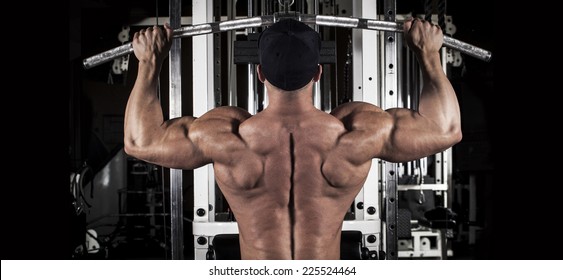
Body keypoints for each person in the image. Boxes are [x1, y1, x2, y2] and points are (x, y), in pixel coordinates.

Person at [124, 18, 461, 260]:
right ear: (318, 72)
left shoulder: (226, 137)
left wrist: (149, 61)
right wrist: (428, 54)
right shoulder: (355, 134)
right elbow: (445, 130)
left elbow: (141, 141)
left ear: (259, 73)